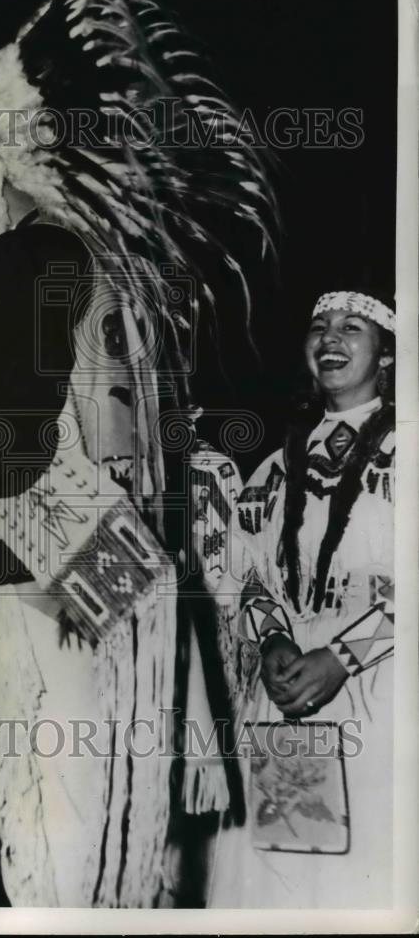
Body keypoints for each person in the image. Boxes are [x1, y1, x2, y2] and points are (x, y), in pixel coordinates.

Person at [0, 0, 276, 906]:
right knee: (113, 860)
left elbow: (16, 442)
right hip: (120, 587)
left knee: (55, 864)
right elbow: (62, 425)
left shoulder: (28, 254)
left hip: (60, 598)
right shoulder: (110, 265)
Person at [208, 289, 395, 908]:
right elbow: (247, 574)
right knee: (286, 879)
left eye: (352, 328)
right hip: (287, 697)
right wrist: (272, 640)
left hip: (384, 694)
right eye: (319, 326)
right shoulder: (273, 468)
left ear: (388, 356)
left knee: (365, 880)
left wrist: (342, 656)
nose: (330, 337)